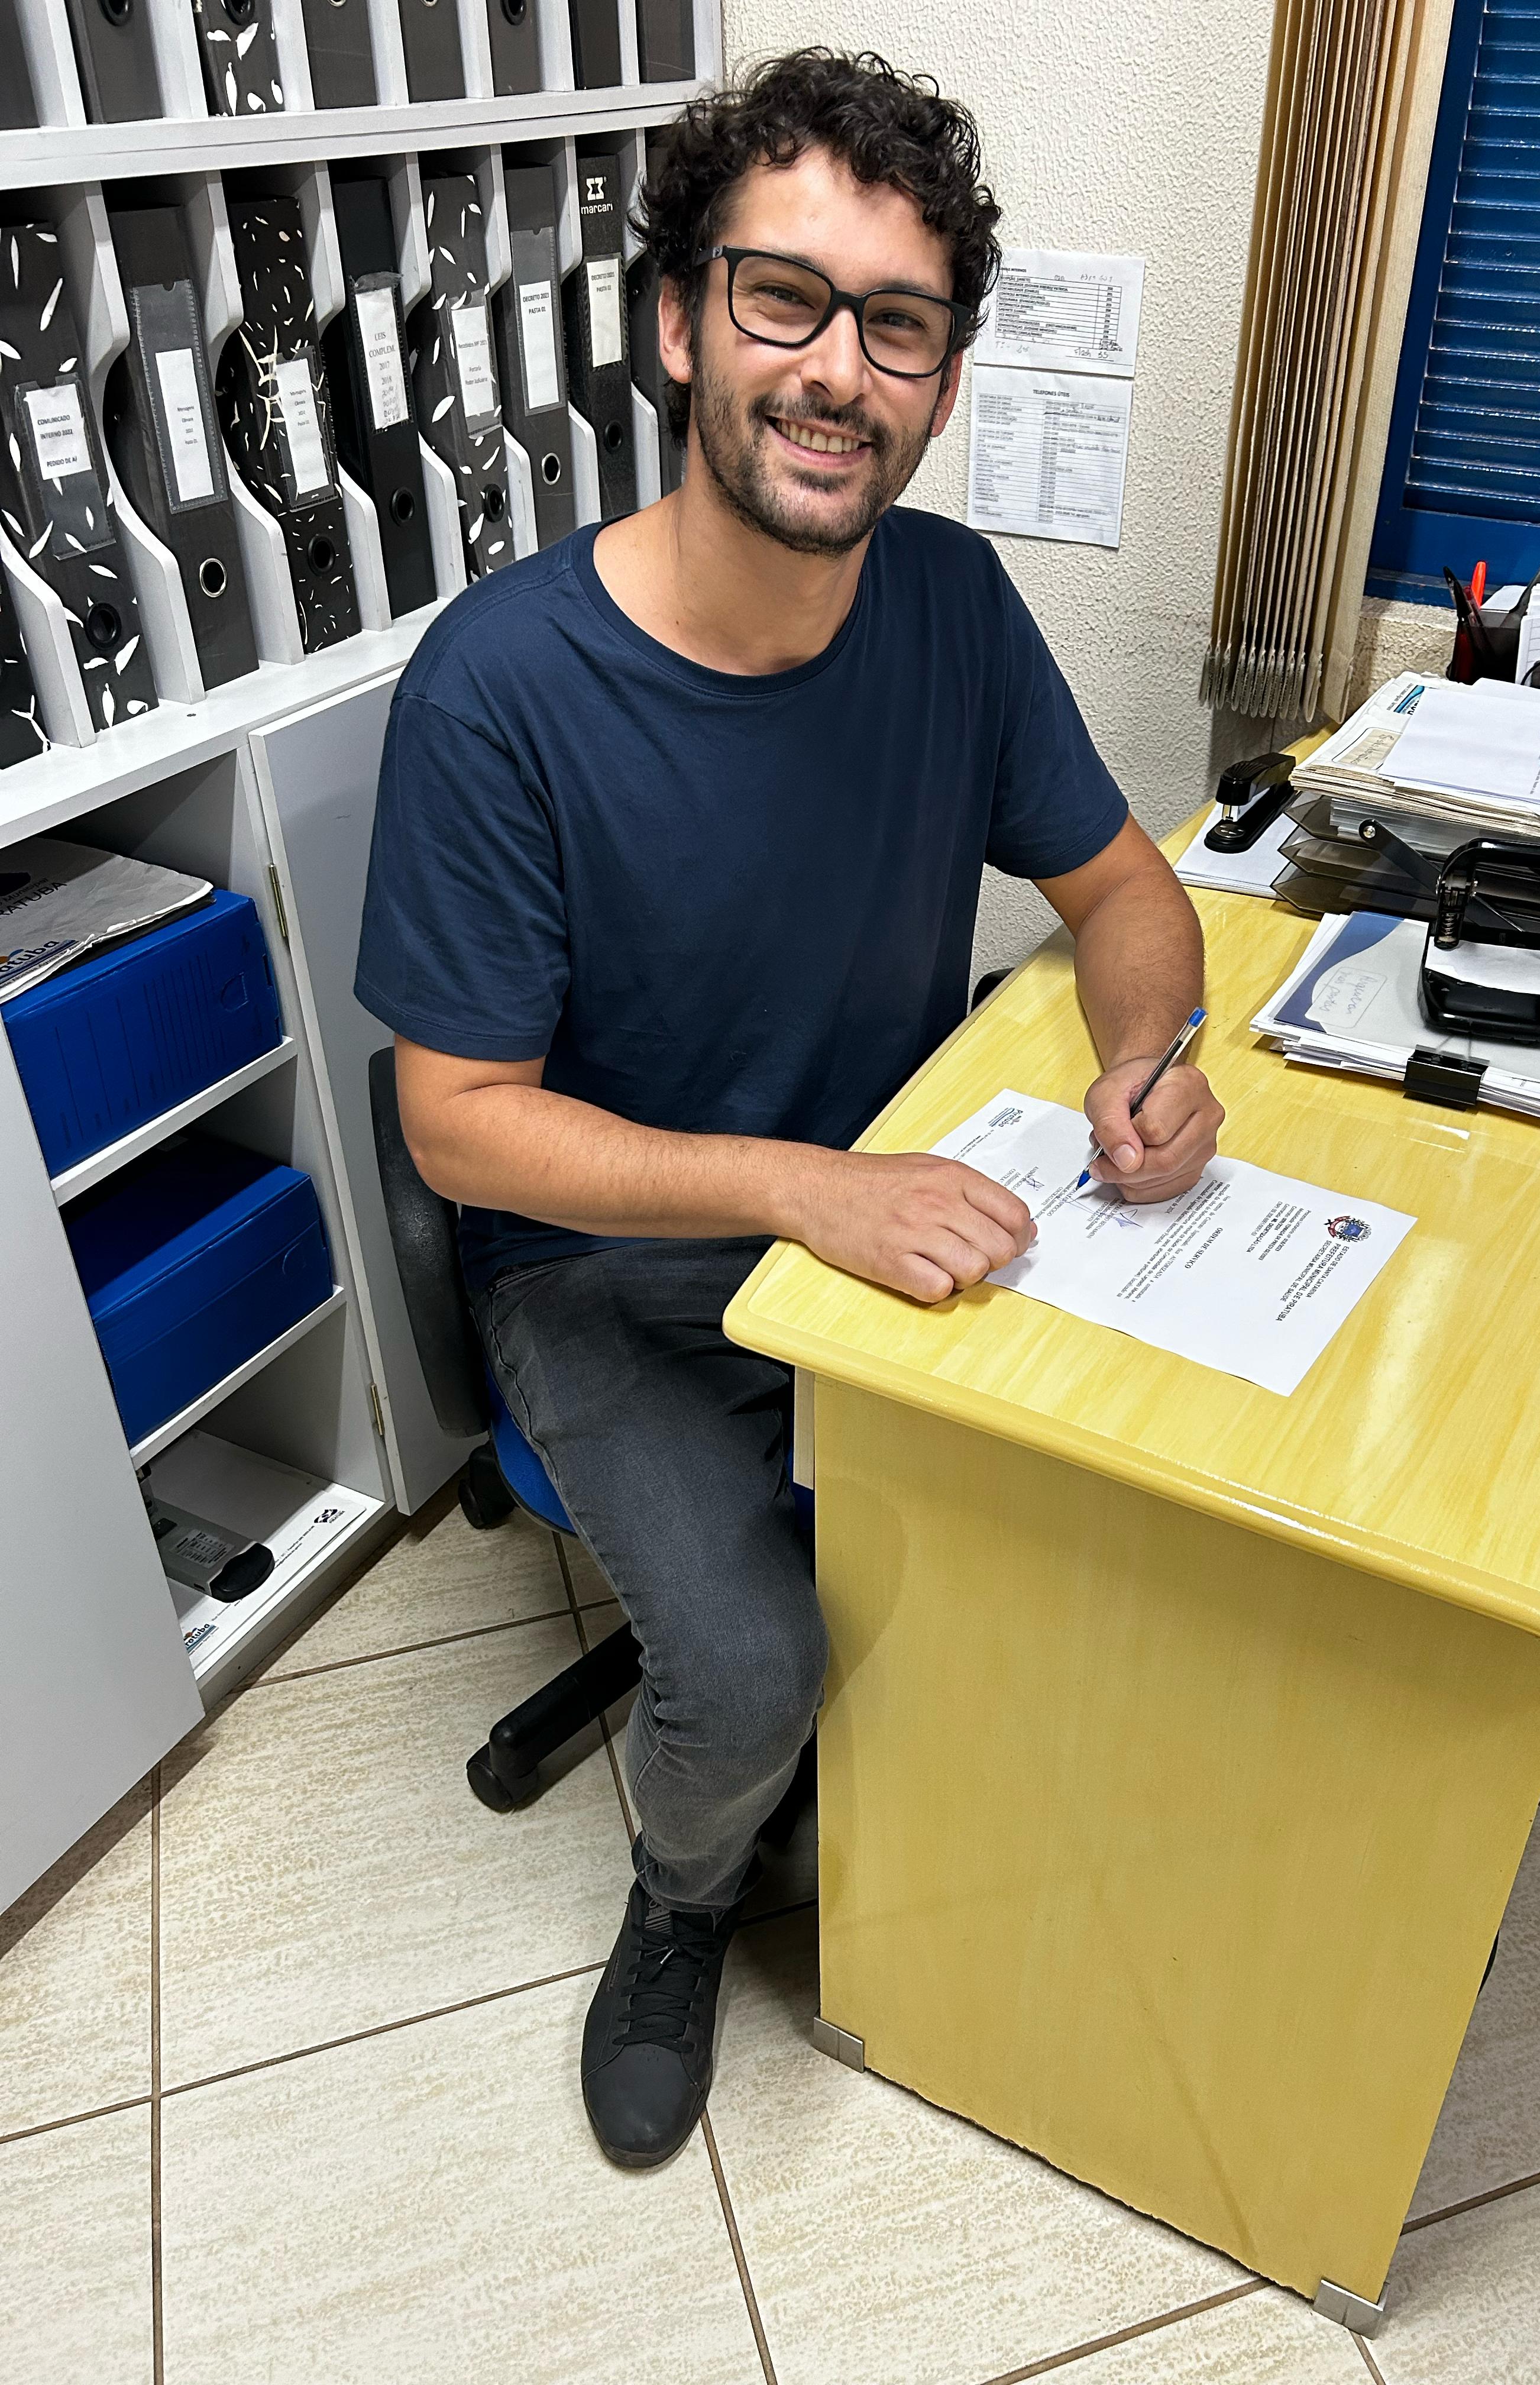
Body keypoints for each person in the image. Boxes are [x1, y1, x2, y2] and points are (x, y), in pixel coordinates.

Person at [355, 47, 1222, 2171]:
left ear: (940, 383)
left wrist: (1147, 1060)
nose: (839, 370)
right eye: (784, 299)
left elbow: (1128, 895)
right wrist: (801, 1190)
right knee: (750, 1678)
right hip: (608, 1265)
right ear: (679, 323)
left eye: (897, 326)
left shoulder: (949, 605)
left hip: (888, 1207)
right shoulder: (501, 688)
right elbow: (457, 1123)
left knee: (1130, 1524)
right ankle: (678, 1903)